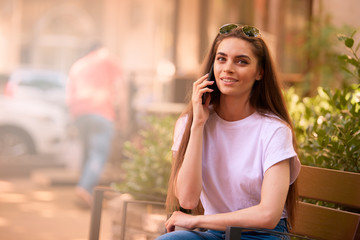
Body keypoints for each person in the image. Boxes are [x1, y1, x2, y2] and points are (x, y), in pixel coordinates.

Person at [157, 24, 301, 240]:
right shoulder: (189, 123)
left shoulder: (274, 131)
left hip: (262, 236)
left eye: (241, 61)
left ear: (260, 72)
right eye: (221, 58)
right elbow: (187, 200)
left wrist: (196, 220)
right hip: (216, 234)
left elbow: (269, 215)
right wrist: (198, 125)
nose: (228, 68)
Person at [67, 46, 128, 208]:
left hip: (79, 113)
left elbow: (70, 94)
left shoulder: (78, 65)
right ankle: (84, 188)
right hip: (101, 111)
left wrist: (72, 118)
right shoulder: (106, 57)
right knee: (98, 154)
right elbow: (121, 87)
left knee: (87, 154)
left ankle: (85, 190)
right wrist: (123, 115)